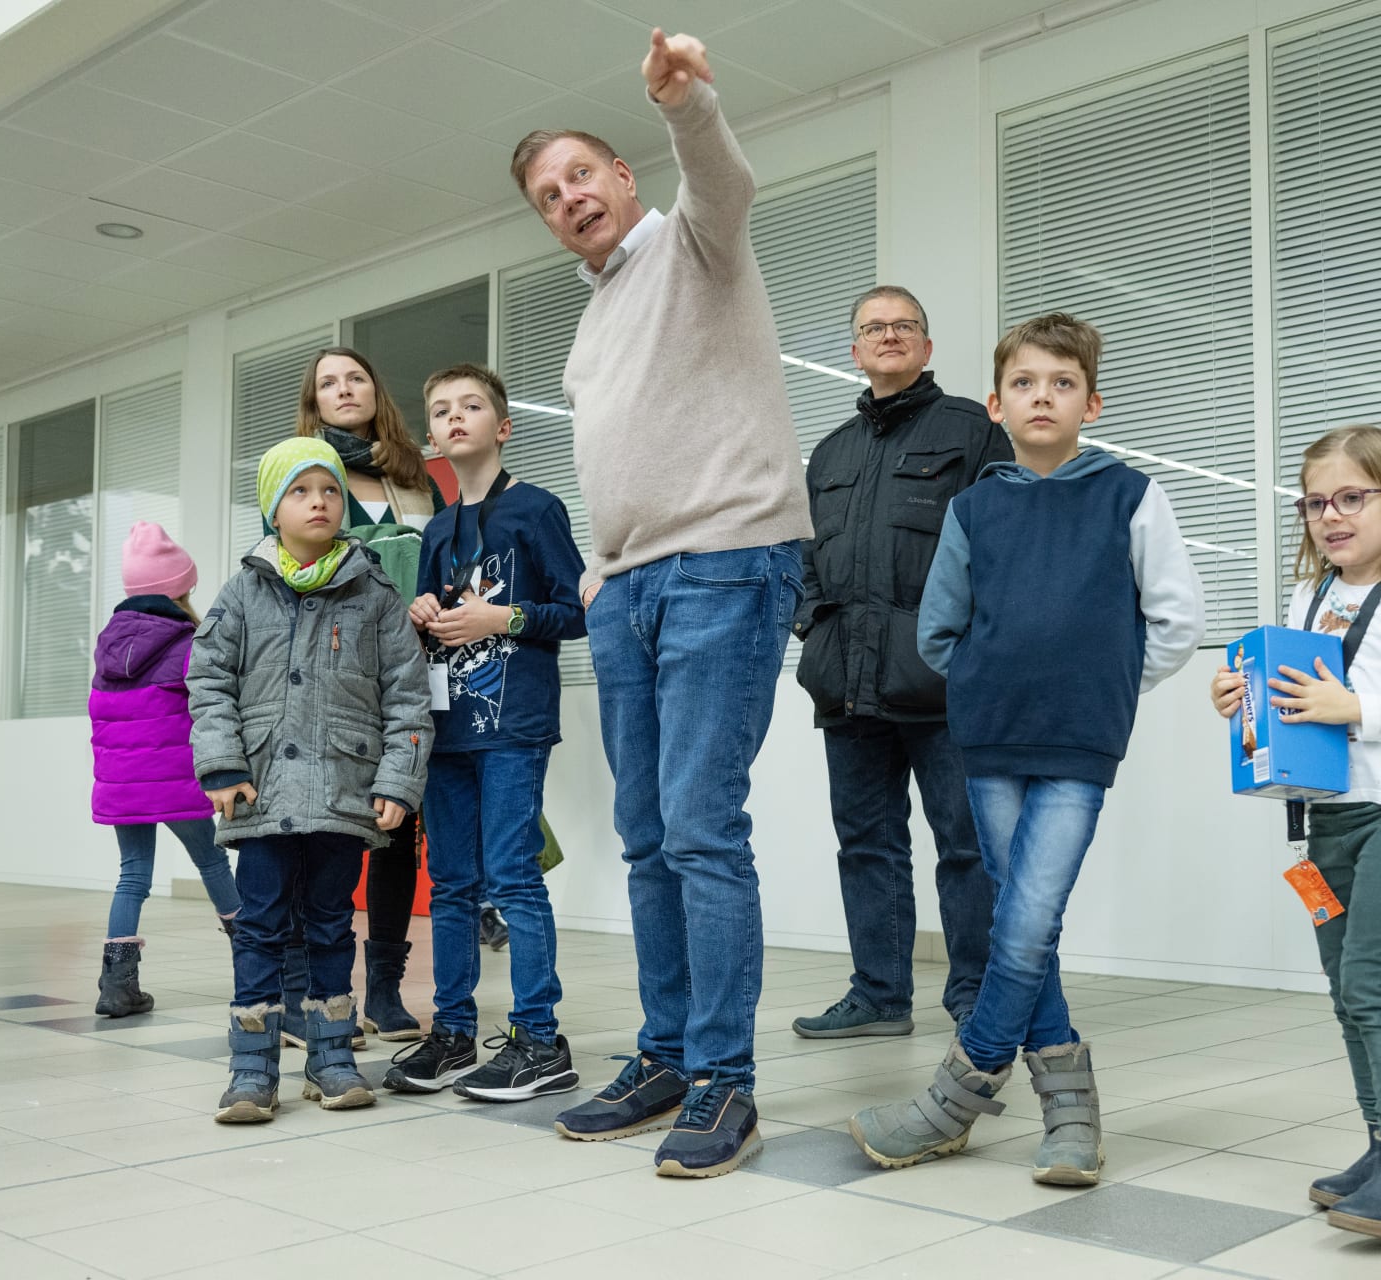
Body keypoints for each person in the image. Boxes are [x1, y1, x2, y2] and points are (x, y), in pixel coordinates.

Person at [510, 28, 811, 1176]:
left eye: (581, 174)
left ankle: (726, 1079)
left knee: (698, 824)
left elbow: (728, 179)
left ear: (625, 177)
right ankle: (669, 1053)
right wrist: (601, 560)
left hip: (729, 563)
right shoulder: (592, 324)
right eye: (548, 195)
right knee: (646, 838)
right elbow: (631, 451)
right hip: (630, 586)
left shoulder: (695, 243)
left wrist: (687, 101)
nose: (569, 198)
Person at [849, 313, 1204, 1185]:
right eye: (1024, 383)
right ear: (996, 405)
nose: (1042, 395)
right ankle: (1071, 1116)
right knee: (1021, 918)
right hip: (990, 740)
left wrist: (1107, 685)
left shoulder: (1130, 495)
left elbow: (1176, 621)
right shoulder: (976, 508)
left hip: (1080, 744)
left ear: (1092, 401)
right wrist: (985, 684)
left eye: (1062, 383)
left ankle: (957, 1095)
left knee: (1027, 916)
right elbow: (939, 632)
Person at [1210, 425, 1381, 1239]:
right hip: (1328, 818)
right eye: (1316, 502)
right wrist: (1242, 695)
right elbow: (1298, 699)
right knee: (1344, 990)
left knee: (1371, 980)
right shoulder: (1310, 597)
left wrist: (1354, 707)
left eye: (1351, 498)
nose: (1331, 516)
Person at [191, 438, 432, 1123]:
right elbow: (208, 682)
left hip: (342, 791)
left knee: (331, 924)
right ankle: (251, 1069)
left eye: (329, 490)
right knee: (262, 925)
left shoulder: (376, 591)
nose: (319, 501)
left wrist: (397, 780)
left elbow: (407, 696)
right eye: (300, 491)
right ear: (273, 508)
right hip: (261, 790)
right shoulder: (241, 591)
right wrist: (222, 764)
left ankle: (330, 1057)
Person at [791, 285, 1006, 1040]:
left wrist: (971, 645)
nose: (888, 336)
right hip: (845, 682)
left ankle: (978, 996)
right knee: (866, 845)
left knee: (967, 846)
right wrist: (812, 624)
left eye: (903, 326)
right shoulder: (830, 452)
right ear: (854, 350)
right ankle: (879, 996)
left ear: (926, 346)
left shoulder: (973, 431)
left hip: (944, 685)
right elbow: (803, 553)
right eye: (873, 328)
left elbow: (1001, 546)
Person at [384, 364, 586, 1101]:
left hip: (512, 729)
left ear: (502, 426)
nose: (455, 417)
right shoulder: (437, 528)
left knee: (513, 880)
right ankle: (453, 1032)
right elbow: (439, 615)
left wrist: (506, 618)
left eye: (472, 406)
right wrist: (422, 615)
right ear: (432, 435)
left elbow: (578, 611)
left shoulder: (537, 510)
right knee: (454, 887)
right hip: (447, 730)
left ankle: (538, 1040)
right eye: (441, 410)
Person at [291, 346, 445, 1043]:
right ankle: (323, 992)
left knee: (395, 831)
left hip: (413, 673)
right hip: (337, 677)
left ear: (375, 391)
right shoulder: (306, 475)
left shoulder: (416, 478)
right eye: (329, 382)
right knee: (329, 833)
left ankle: (384, 988)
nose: (343, 389)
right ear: (315, 402)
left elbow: (447, 561)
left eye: (354, 378)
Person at [88, 521, 240, 1017]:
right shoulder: (189, 644)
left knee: (132, 876)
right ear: (181, 590)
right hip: (176, 784)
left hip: (124, 786)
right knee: (213, 865)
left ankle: (116, 987)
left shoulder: (107, 648)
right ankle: (255, 964)